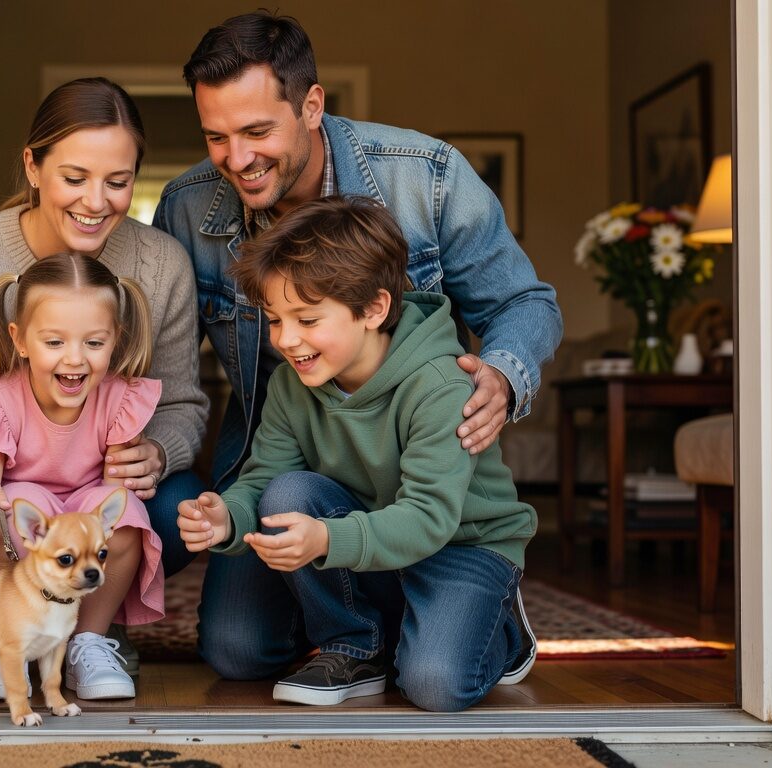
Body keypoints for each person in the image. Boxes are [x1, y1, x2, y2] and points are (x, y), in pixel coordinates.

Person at [151, 11, 560, 678]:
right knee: (238, 649)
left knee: (436, 672)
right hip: (280, 449)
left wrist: (504, 375)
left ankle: (460, 614)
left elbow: (524, 302)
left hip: (414, 449)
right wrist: (215, 508)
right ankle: (362, 634)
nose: (237, 159)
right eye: (217, 137)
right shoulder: (188, 206)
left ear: (312, 105)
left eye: (258, 131)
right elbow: (171, 373)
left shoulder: (425, 177)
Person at [0, 77, 207, 690]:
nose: (97, 201)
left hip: (96, 497)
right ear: (32, 166)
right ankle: (28, 636)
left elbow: (183, 403)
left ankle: (91, 636)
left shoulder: (161, 264)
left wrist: (157, 451)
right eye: (75, 177)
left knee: (169, 507)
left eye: (118, 181)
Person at [177, 196, 538, 711]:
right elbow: (262, 482)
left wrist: (325, 536)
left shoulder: (439, 385)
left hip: (458, 544)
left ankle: (501, 633)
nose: (286, 340)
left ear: (374, 309)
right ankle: (358, 644)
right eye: (275, 320)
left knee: (435, 685)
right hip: (368, 544)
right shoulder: (291, 385)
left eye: (306, 319)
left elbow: (429, 518)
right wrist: (227, 518)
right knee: (286, 495)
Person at [0, 254, 166, 700]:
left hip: (81, 524)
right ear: (20, 340)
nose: (75, 359)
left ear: (115, 341)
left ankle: (85, 641)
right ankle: (3, 643)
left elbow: (111, 503)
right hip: (16, 543)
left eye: (94, 343)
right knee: (12, 503)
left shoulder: (121, 399)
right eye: (54, 342)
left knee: (127, 511)